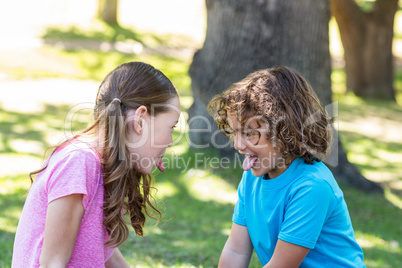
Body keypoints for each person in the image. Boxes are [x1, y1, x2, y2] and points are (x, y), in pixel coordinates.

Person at [12, 62, 181, 267]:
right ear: (140, 121)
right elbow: (51, 263)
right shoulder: (78, 162)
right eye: (171, 127)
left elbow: (101, 250)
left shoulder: (103, 167)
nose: (171, 141)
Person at [208, 66, 365, 267]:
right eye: (235, 133)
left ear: (285, 132)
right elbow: (236, 250)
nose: (237, 145)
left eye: (249, 134)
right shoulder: (251, 178)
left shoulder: (311, 186)